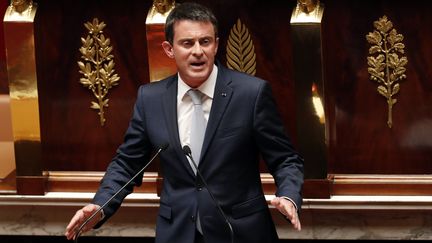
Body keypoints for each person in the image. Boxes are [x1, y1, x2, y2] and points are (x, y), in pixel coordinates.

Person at [65, 2, 304, 243]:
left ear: (216, 45)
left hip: (240, 232)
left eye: (205, 42)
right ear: (169, 49)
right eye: (187, 43)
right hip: (178, 233)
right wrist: (100, 204)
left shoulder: (250, 94)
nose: (198, 51)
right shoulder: (151, 98)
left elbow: (285, 158)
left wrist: (288, 196)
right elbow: (127, 163)